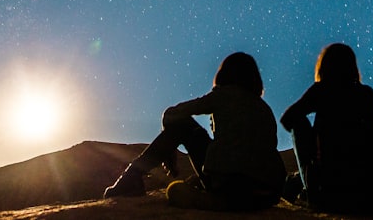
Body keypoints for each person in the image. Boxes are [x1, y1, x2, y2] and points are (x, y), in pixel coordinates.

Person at [103, 51, 287, 211]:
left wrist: (170, 153)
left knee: (182, 125)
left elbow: (172, 113)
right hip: (267, 194)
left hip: (230, 187)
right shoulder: (264, 108)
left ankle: (132, 177)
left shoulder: (224, 95)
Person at [280, 43, 373, 215]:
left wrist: (313, 140)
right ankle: (304, 180)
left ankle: (308, 188)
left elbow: (288, 118)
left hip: (329, 195)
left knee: (299, 123)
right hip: (366, 197)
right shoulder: (365, 98)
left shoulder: (322, 90)